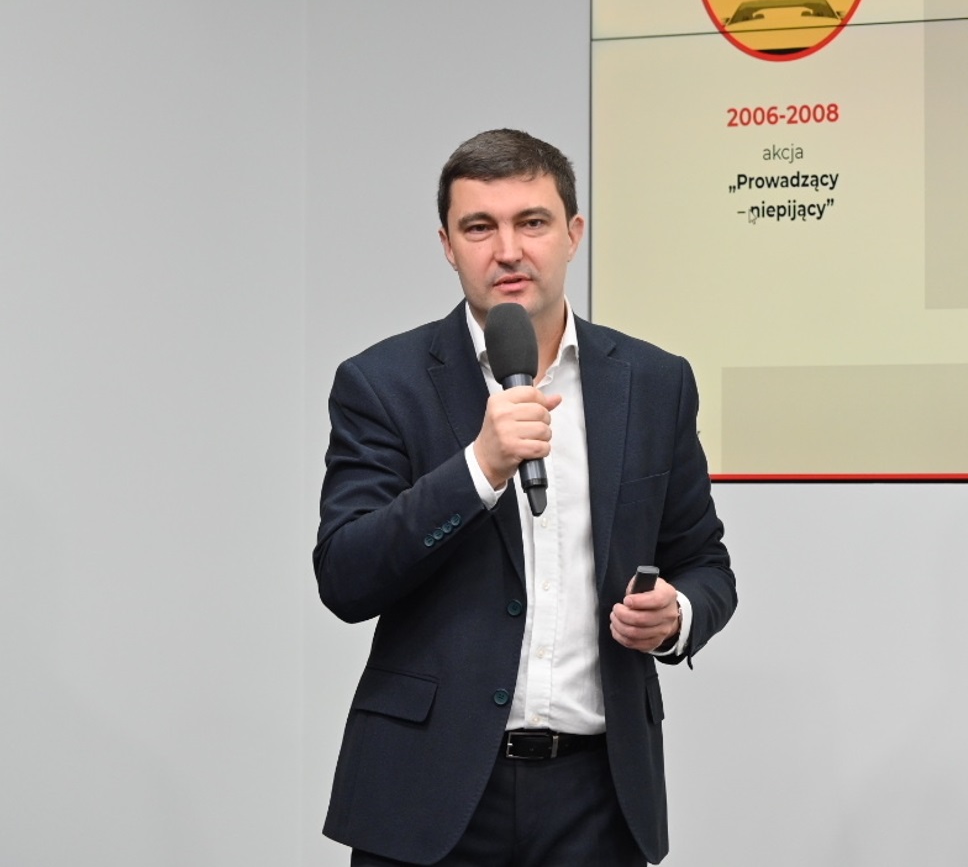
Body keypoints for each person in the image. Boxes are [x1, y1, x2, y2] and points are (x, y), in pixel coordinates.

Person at [314, 129, 736, 866]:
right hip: (428, 792)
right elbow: (346, 575)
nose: (508, 250)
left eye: (532, 222)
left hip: (598, 795)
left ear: (573, 233)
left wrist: (677, 617)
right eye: (480, 227)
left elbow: (705, 563)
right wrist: (478, 467)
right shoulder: (381, 383)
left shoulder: (654, 382)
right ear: (448, 245)